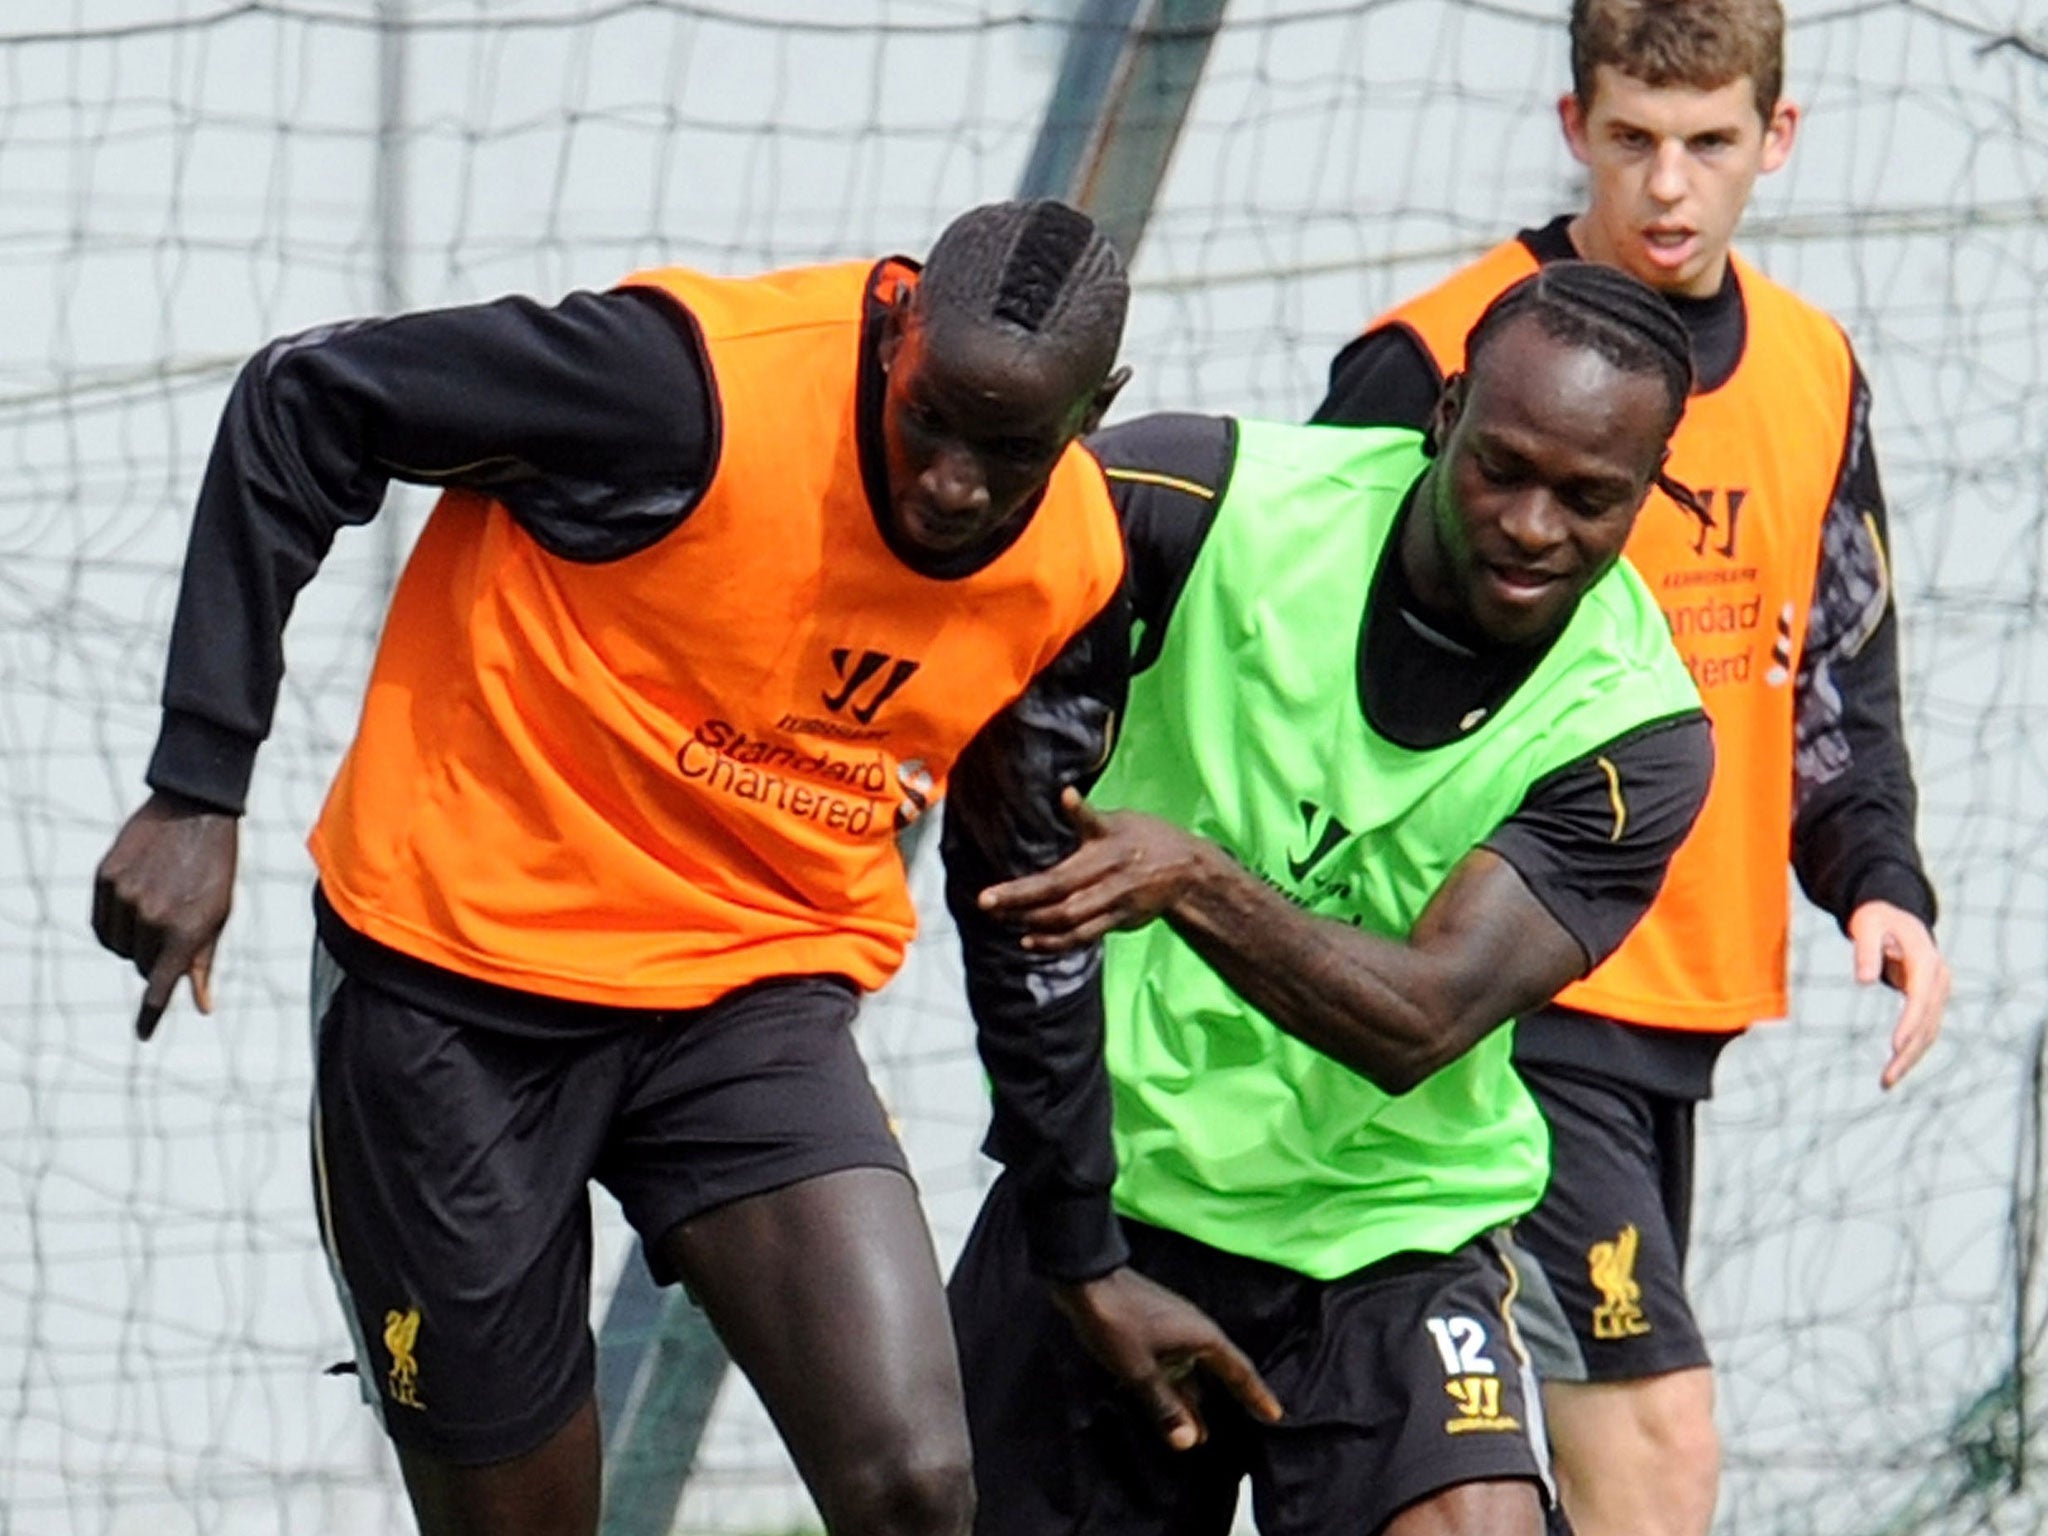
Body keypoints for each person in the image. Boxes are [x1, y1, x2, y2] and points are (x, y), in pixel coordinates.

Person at [90, 198, 1274, 1536]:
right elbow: (306, 398)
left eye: (1009, 451)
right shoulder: (681, 390)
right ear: (896, 331)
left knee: (921, 1486)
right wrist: (198, 785)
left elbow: (1021, 901)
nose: (954, 480)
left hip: (749, 1002)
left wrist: (1079, 1244)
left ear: (1094, 410)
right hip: (453, 995)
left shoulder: (1068, 564)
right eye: (931, 416)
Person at [1311, 5, 1952, 1535]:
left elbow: (1837, 664)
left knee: (1518, 1479)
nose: (1671, 185)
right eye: (1634, 141)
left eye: (1710, 143)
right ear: (1573, 126)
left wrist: (1880, 878)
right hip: (1500, 992)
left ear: (1774, 140)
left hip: (1677, 1003)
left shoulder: (1811, 365)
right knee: (1655, 1450)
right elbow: (1299, 653)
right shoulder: (1439, 356)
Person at [948, 261, 1715, 1536]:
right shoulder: (1197, 503)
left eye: (1591, 499)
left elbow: (1416, 1022)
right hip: (1114, 1200)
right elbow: (947, 541)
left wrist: (1192, 876)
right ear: (1443, 412)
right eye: (1502, 468)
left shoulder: (1632, 732)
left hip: (1391, 1229)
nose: (1533, 526)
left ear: (1646, 493)